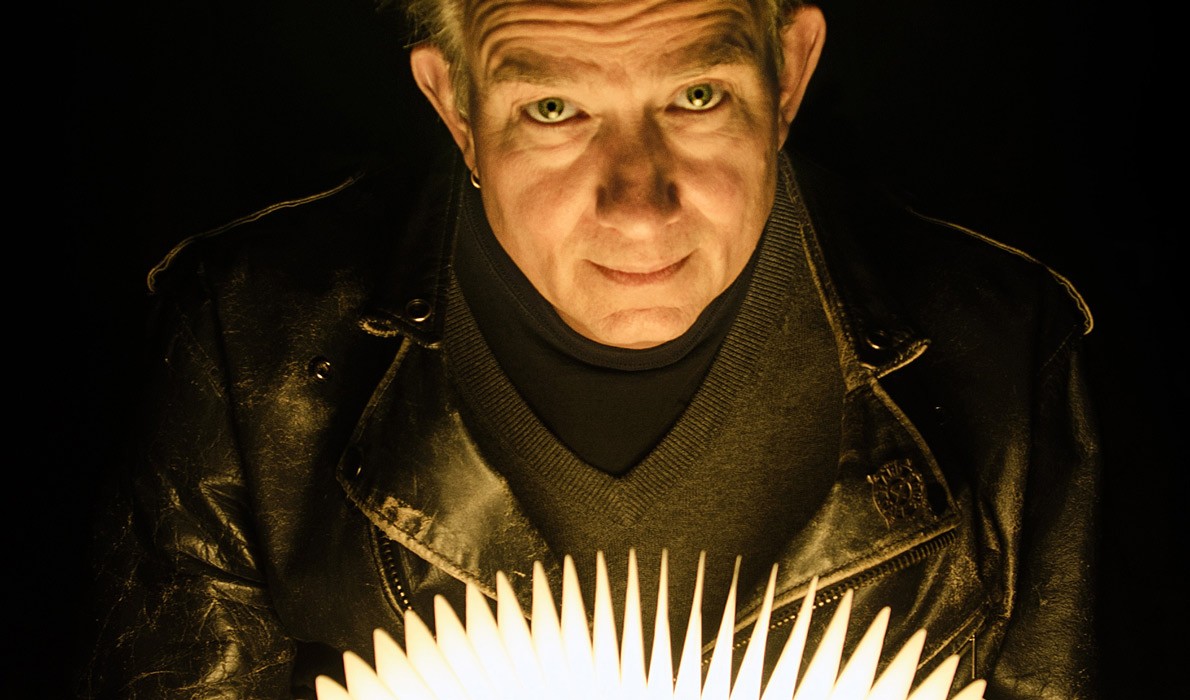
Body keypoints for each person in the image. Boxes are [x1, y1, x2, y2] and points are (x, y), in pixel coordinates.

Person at [79, 0, 1100, 698]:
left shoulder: (1004, 351)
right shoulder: (247, 336)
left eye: (695, 96)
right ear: (456, 106)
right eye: (553, 109)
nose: (637, 204)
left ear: (787, 72)